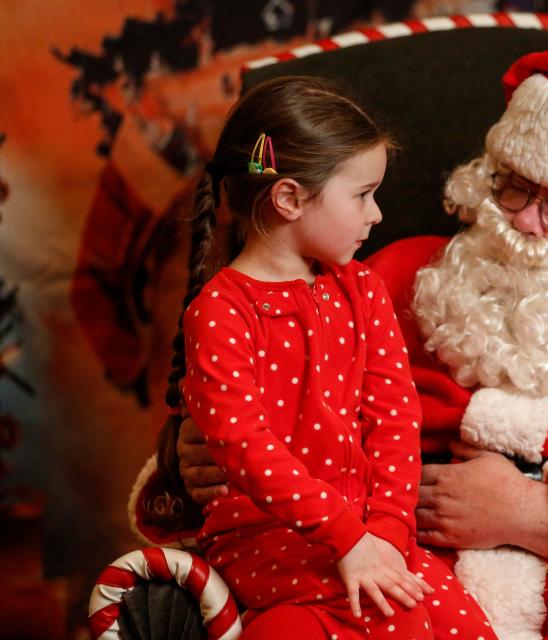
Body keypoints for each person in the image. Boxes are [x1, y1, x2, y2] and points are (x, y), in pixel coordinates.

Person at [136, 51, 548, 639]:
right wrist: (192, 457)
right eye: (513, 183)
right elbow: (267, 402)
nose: (520, 220)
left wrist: (539, 516)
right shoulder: (394, 276)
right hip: (398, 587)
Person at [145, 75, 492, 639]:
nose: (377, 214)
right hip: (265, 534)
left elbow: (395, 420)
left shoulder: (362, 290)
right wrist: (347, 538)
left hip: (367, 529)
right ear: (288, 198)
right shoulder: (222, 311)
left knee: (459, 621)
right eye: (362, 195)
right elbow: (247, 450)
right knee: (396, 619)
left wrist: (385, 528)